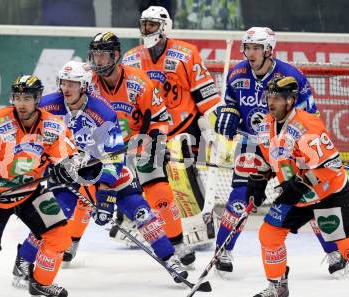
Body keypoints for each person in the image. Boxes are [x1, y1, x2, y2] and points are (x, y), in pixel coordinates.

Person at [11, 61, 189, 286]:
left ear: (84, 86)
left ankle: (169, 258)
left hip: (100, 168)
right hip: (66, 173)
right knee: (54, 217)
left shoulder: (103, 112)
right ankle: (24, 260)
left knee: (139, 208)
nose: (66, 88)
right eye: (64, 83)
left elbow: (114, 155)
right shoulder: (47, 106)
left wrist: (105, 191)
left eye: (72, 84)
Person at [213, 26, 349, 278]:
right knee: (241, 195)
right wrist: (228, 114)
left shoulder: (291, 76)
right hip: (252, 143)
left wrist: (302, 152)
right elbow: (229, 104)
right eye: (248, 47)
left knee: (306, 196)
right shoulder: (236, 74)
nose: (250, 53)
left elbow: (311, 118)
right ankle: (223, 249)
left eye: (256, 48)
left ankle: (335, 250)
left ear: (268, 50)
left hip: (286, 147)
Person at [0, 75, 92, 297]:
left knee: (60, 238)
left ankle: (40, 282)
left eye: (27, 98)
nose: (21, 103)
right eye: (17, 97)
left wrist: (64, 169)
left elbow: (69, 158)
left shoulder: (53, 126)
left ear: (38, 99)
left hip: (31, 192)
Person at [248, 75, 349, 297]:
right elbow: (273, 159)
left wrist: (303, 182)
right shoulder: (265, 126)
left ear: (290, 101)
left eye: (277, 98)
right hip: (295, 197)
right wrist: (260, 178)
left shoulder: (309, 127)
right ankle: (277, 286)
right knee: (269, 234)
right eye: (269, 96)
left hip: (328, 193)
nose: (271, 102)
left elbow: (333, 166)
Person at [88, 31, 199, 268]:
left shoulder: (139, 82)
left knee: (160, 190)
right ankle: (70, 242)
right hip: (103, 153)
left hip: (138, 146)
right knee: (82, 197)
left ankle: (177, 243)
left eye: (103, 55)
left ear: (115, 55)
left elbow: (159, 118)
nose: (98, 61)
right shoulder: (87, 84)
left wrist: (157, 143)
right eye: (95, 55)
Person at [122, 6, 222, 250]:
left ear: (165, 27)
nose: (147, 29)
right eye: (144, 24)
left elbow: (206, 93)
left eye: (152, 25)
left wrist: (212, 124)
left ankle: (199, 223)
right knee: (146, 177)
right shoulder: (131, 58)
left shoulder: (186, 54)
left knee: (180, 173)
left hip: (182, 126)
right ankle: (144, 221)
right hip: (151, 130)